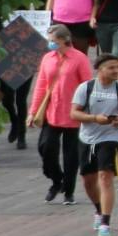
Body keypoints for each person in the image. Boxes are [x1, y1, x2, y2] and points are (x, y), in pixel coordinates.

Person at [27, 24, 92, 205]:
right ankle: (57, 180)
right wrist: (33, 111)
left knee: (71, 155)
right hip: (52, 112)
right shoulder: (48, 58)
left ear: (64, 40)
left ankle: (68, 191)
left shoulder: (79, 58)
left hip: (72, 113)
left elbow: (87, 85)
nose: (51, 44)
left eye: (54, 41)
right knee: (45, 147)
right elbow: (41, 86)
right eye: (49, 41)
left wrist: (87, 110)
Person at [72, 54, 118, 236]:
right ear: (100, 70)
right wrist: (94, 119)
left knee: (105, 177)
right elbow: (74, 113)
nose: (116, 71)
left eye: (117, 67)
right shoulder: (86, 88)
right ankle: (99, 210)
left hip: (111, 138)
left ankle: (106, 222)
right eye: (111, 68)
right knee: (87, 180)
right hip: (87, 139)